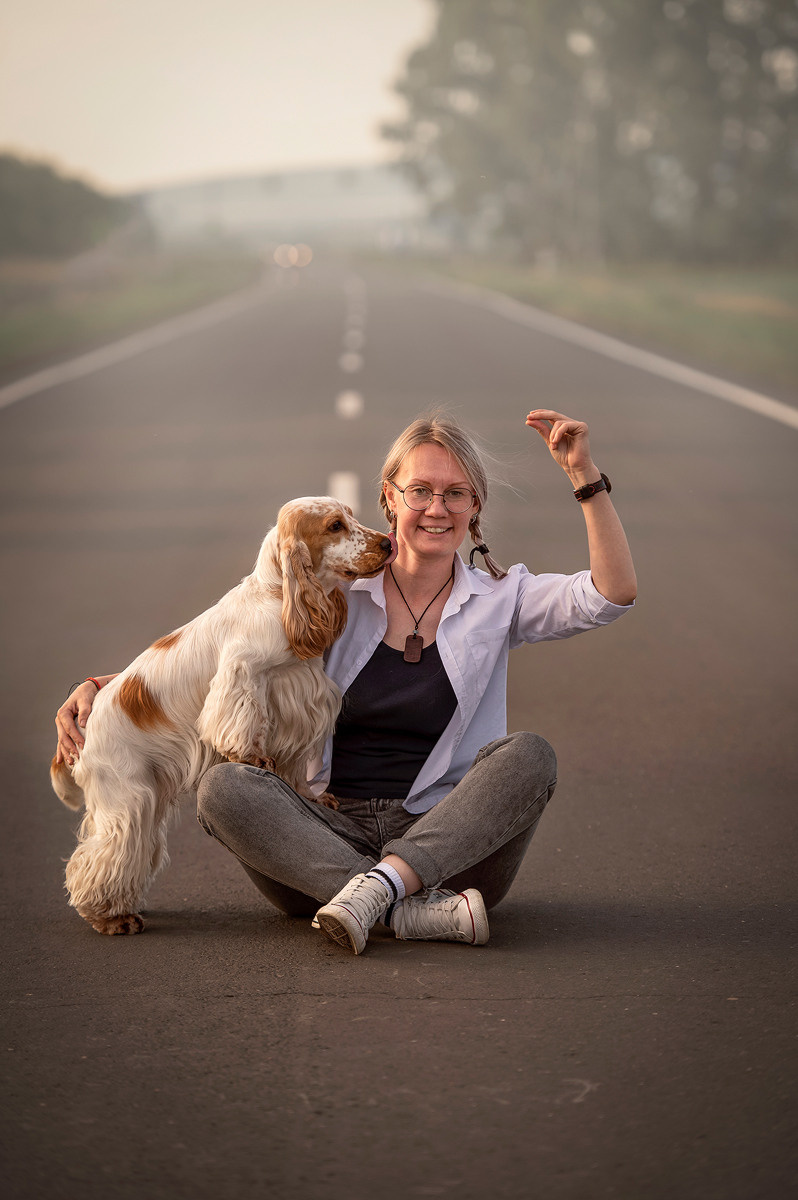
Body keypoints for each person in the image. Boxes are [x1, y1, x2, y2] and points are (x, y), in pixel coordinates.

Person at [55, 409, 636, 954]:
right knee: (225, 787)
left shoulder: (502, 598)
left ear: (474, 507)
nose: (437, 507)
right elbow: (217, 648)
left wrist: (584, 477)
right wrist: (105, 691)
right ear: (389, 498)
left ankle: (377, 895)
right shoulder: (333, 595)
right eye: (420, 492)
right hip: (319, 837)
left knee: (529, 756)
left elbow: (611, 594)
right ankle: (406, 907)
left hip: (445, 840)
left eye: (455, 493)